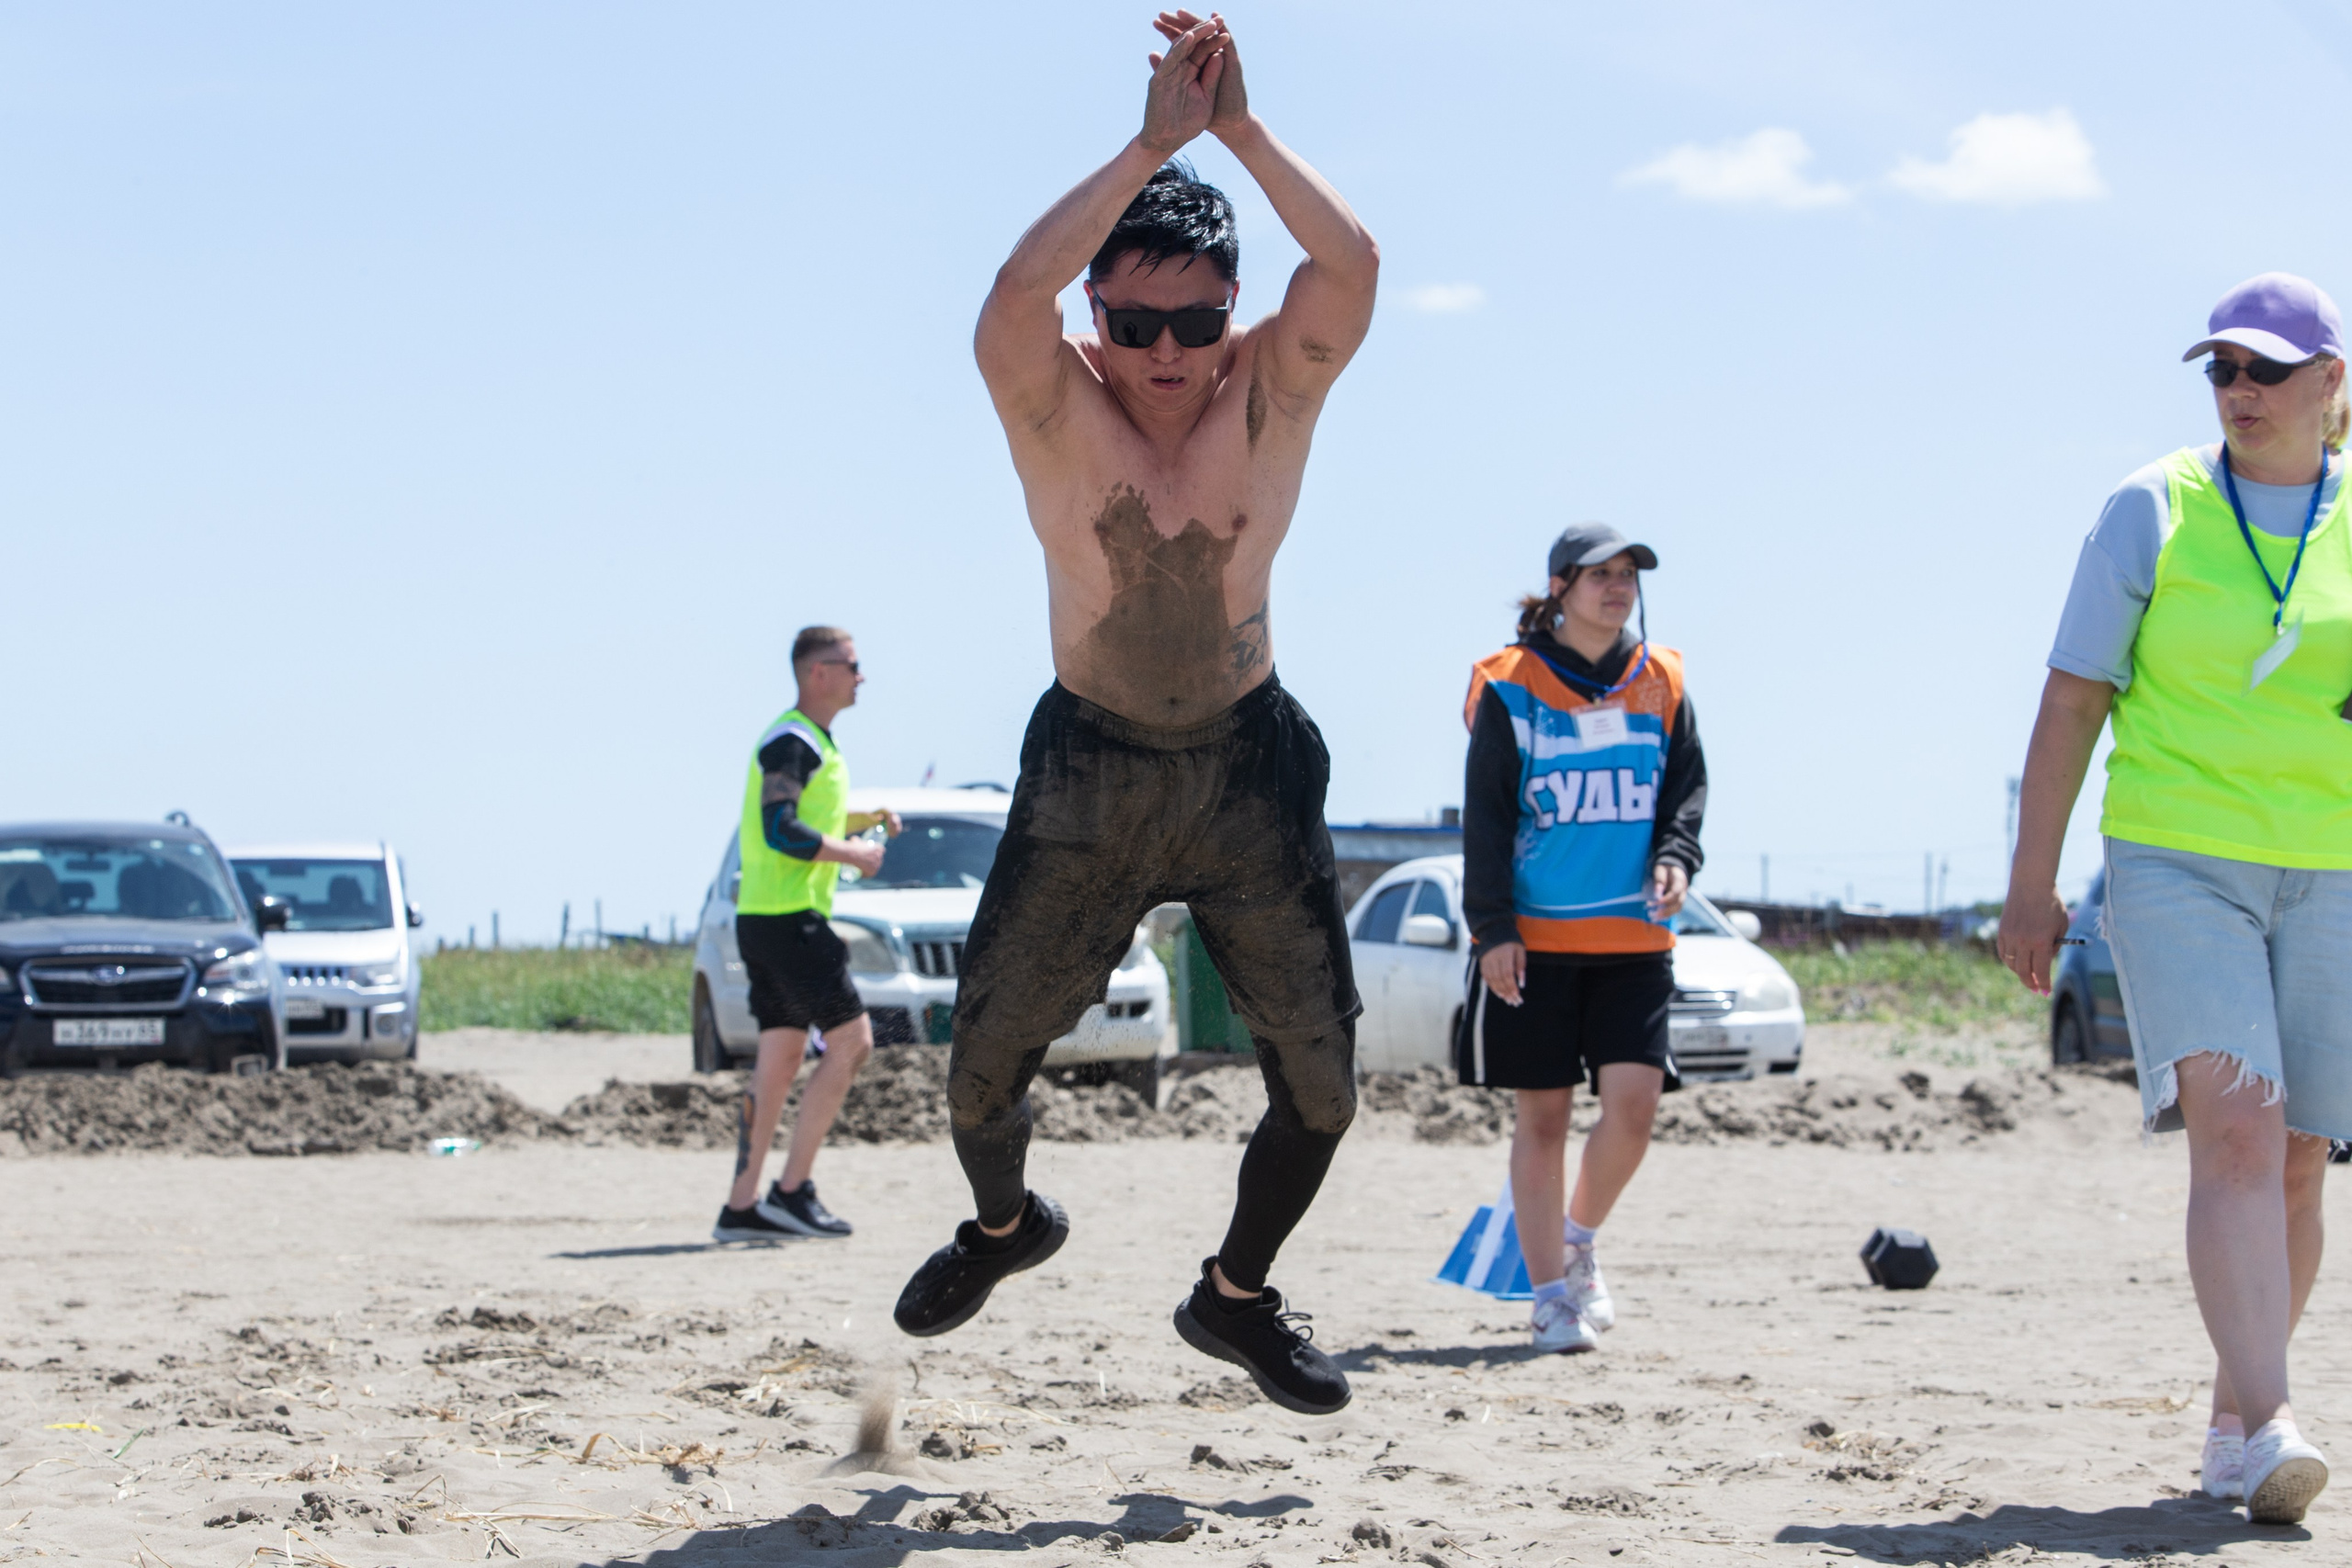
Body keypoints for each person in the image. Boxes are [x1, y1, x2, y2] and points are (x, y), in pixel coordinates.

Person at [889, 10, 1378, 1415]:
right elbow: (1004, 292)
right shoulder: (1050, 395)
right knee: (981, 1065)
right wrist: (1148, 144)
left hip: (1245, 765)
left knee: (1325, 1086)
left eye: (1198, 319)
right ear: (1093, 318)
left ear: (1237, 310)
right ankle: (1004, 1229)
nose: (1167, 350)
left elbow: (1349, 264)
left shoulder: (1271, 392)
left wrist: (1236, 131)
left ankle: (1234, 1295)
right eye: (1134, 322)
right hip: (1093, 763)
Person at [1998, 273, 2352, 1526]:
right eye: (2222, 370)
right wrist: (2032, 887)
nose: (2241, 390)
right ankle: (2271, 1423)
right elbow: (2071, 700)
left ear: (2331, 384)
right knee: (2242, 1131)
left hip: (2335, 867)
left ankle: (2227, 1411)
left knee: (2304, 1157)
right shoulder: (2152, 507)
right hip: (2177, 856)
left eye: (2267, 369)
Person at [1458, 524, 1706, 1354]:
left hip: (1636, 943)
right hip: (1534, 942)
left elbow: (1686, 789)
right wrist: (1491, 926)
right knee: (1545, 1119)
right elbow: (1487, 817)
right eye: (1601, 574)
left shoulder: (1662, 678)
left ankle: (1578, 1240)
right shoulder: (1510, 684)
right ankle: (1548, 1297)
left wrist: (1676, 853)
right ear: (1560, 586)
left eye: (1629, 573)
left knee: (1634, 1110)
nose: (1619, 586)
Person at [713, 626, 900, 1244]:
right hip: (791, 921)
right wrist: (855, 853)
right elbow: (779, 827)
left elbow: (807, 815)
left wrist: (864, 819)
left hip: (765, 920)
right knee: (851, 1042)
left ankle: (742, 1207)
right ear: (816, 672)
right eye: (851, 664)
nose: (861, 675)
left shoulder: (811, 742)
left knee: (781, 1059)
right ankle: (792, 1192)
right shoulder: (792, 741)